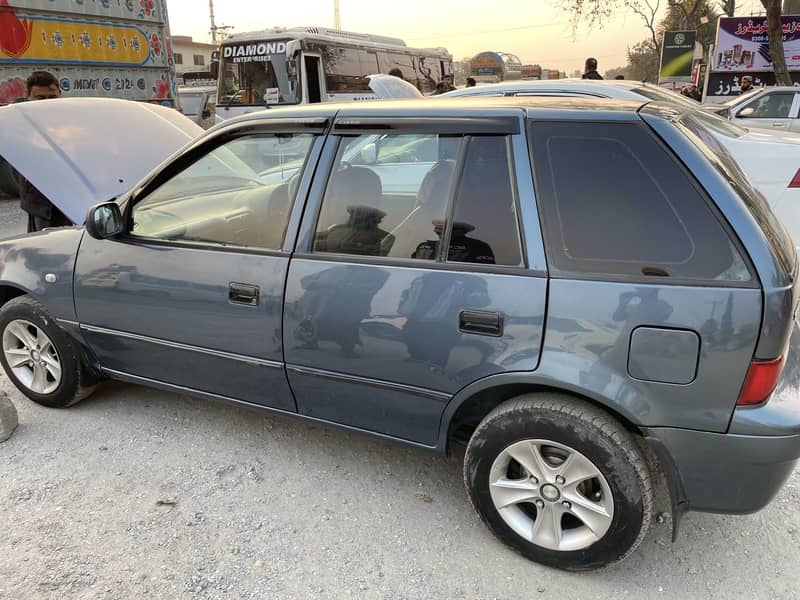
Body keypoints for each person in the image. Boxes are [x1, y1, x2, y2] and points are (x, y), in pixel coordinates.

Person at [16, 71, 72, 232]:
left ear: (60, 93)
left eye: (52, 97)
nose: (47, 102)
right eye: (40, 98)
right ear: (28, 96)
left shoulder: (73, 119)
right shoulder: (19, 122)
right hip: (40, 204)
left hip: (72, 199)